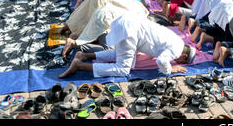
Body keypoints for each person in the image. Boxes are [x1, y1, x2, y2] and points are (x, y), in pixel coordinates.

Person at [59, 13, 196, 78]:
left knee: (119, 53)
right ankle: (79, 65)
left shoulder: (177, 39)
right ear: (184, 55)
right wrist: (171, 69)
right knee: (123, 69)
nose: (178, 61)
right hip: (131, 31)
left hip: (127, 21)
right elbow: (161, 61)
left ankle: (84, 54)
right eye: (182, 61)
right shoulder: (177, 50)